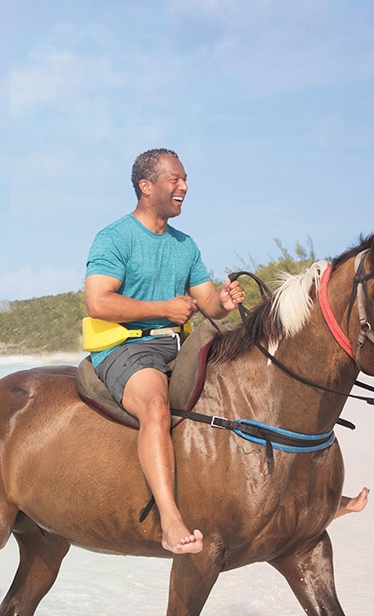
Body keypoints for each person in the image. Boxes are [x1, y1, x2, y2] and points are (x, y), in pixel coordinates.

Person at [84, 148, 247, 555]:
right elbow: (98, 302)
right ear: (146, 186)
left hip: (177, 345)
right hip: (127, 346)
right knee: (156, 405)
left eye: (185, 179)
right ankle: (170, 522)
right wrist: (163, 309)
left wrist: (224, 302)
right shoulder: (115, 237)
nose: (184, 187)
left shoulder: (185, 245)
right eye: (175, 179)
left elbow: (207, 303)